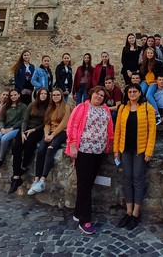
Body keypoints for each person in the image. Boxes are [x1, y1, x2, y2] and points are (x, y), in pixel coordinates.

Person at [66, 86, 115, 235]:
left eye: (102, 95)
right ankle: (85, 220)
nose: (99, 97)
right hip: (84, 150)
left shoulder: (105, 109)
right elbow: (72, 126)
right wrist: (72, 145)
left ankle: (77, 212)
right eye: (97, 94)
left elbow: (109, 128)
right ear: (91, 94)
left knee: (87, 183)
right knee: (84, 185)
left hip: (98, 151)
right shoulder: (82, 107)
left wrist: (109, 144)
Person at [114, 83, 157, 230]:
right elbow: (118, 130)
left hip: (140, 150)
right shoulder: (122, 108)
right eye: (130, 92)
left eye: (135, 91)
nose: (132, 94)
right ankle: (128, 211)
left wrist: (149, 152)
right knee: (127, 179)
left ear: (140, 93)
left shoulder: (147, 108)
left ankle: (136, 213)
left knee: (138, 179)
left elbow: (152, 131)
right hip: (125, 149)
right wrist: (116, 150)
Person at [28, 88, 72, 194]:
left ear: (61, 96)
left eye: (58, 95)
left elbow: (63, 124)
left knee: (50, 149)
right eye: (54, 95)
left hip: (62, 132)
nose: (56, 97)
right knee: (41, 150)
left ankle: (43, 180)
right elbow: (47, 123)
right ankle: (36, 179)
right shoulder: (50, 107)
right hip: (50, 133)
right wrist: (47, 134)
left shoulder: (66, 107)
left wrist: (52, 135)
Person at [8, 87, 50, 194]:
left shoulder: (49, 107)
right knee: (17, 146)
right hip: (25, 128)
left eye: (45, 93)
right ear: (38, 95)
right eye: (41, 93)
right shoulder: (32, 105)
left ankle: (24, 166)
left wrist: (33, 130)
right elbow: (25, 120)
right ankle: (16, 177)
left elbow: (45, 123)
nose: (43, 95)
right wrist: (22, 132)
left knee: (30, 144)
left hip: (37, 130)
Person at [0, 89, 27, 168]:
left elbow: (23, 120)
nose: (13, 97)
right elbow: (1, 119)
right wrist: (2, 128)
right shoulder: (6, 106)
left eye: (15, 95)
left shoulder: (23, 106)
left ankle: (1, 158)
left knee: (4, 139)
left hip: (15, 128)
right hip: (4, 127)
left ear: (19, 95)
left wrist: (11, 128)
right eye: (11, 95)